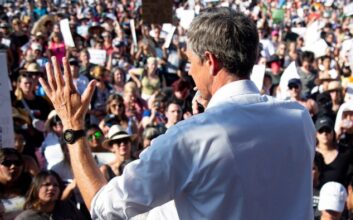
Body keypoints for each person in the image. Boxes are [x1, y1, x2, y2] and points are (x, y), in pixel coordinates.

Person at [39, 8, 315, 219]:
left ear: (210, 61)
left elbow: (103, 206)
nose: (189, 72)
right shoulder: (298, 118)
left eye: (190, 62)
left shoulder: (191, 137)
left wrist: (73, 126)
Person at [15, 170, 83, 220]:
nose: (51, 188)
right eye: (47, 185)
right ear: (36, 188)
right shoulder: (25, 218)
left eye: (55, 185)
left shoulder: (69, 208)